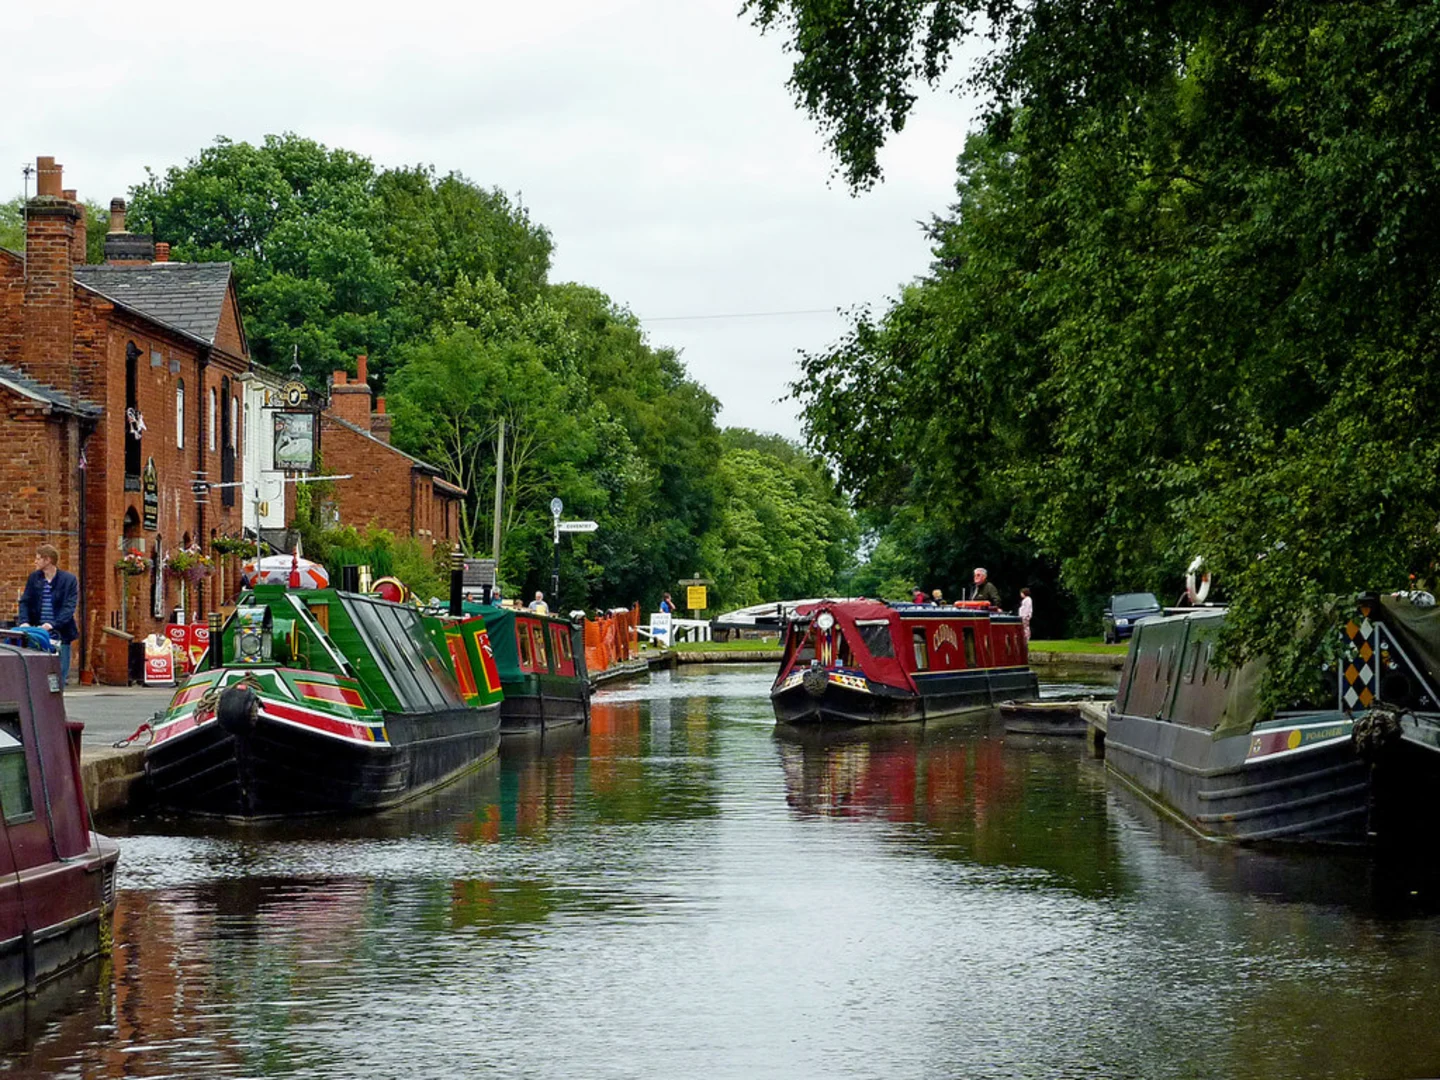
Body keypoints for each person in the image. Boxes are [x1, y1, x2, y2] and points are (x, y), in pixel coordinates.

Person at [19, 544, 79, 685]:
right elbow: (25, 602)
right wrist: (24, 621)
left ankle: (56, 706)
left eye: (38, 558)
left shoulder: (68, 580)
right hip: (37, 634)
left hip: (60, 634)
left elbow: (69, 608)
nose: (35, 561)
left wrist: (52, 624)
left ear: (48, 560)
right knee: (35, 677)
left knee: (59, 676)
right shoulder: (34, 578)